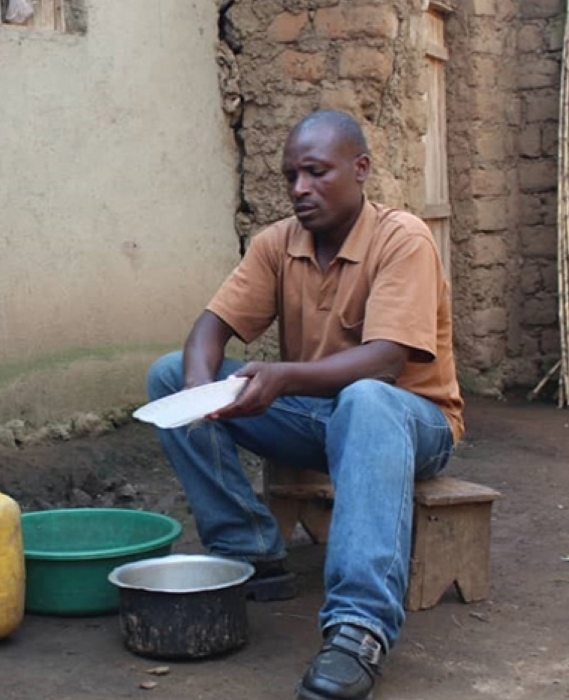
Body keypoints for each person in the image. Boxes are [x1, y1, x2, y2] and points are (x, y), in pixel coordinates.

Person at [145, 110, 463, 700]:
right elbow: (210, 328)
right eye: (291, 175)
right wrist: (197, 388)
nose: (299, 189)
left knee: (367, 399)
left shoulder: (403, 240)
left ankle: (358, 630)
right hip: (319, 419)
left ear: (361, 169)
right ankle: (250, 552)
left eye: (316, 172)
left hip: (411, 423)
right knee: (168, 374)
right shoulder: (277, 244)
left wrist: (284, 377)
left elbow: (385, 362)